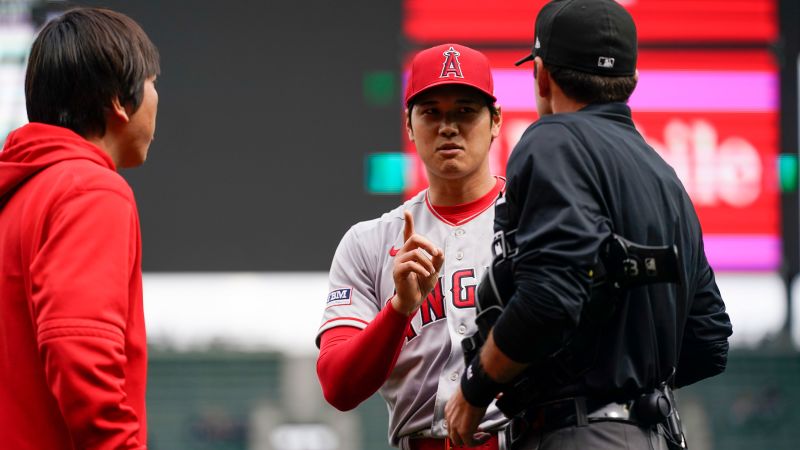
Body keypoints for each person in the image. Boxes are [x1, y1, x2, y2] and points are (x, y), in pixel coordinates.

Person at [445, 1, 733, 448]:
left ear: (541, 73)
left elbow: (549, 299)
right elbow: (709, 341)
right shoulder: (664, 176)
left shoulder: (553, 140)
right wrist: (628, 381)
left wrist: (475, 386)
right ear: (629, 81)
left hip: (578, 435)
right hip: (656, 435)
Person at [316, 43, 511, 449]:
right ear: (408, 124)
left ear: (495, 121)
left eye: (465, 110)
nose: (448, 127)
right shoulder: (369, 242)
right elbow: (338, 387)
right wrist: (398, 310)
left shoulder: (535, 224)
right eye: (431, 112)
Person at [0, 8, 159, 449]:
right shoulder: (90, 190)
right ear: (117, 102)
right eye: (152, 83)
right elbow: (79, 350)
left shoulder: (17, 194)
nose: (156, 98)